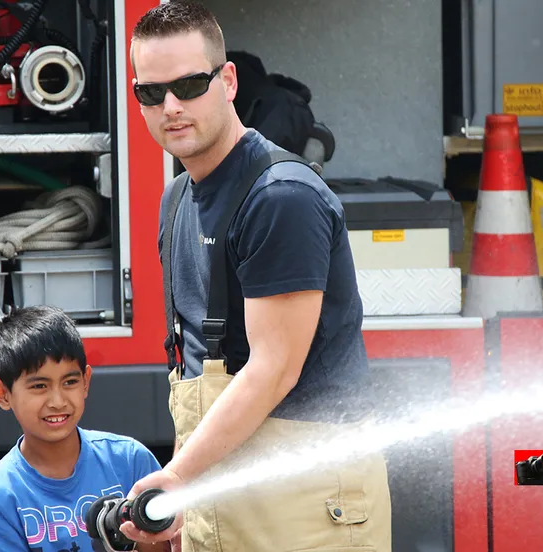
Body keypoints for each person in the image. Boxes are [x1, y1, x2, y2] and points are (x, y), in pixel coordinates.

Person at [122, 1, 392, 551]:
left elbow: (272, 370)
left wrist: (178, 478)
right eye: (151, 92)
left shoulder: (280, 197)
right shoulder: (176, 200)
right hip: (224, 489)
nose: (170, 106)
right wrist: (188, 503)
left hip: (308, 503)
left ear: (227, 81)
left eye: (190, 85)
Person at [0, 305, 165, 552]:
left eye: (70, 382)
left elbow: (168, 544)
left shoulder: (130, 460)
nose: (58, 401)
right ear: (2, 394)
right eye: (39, 386)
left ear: (86, 382)